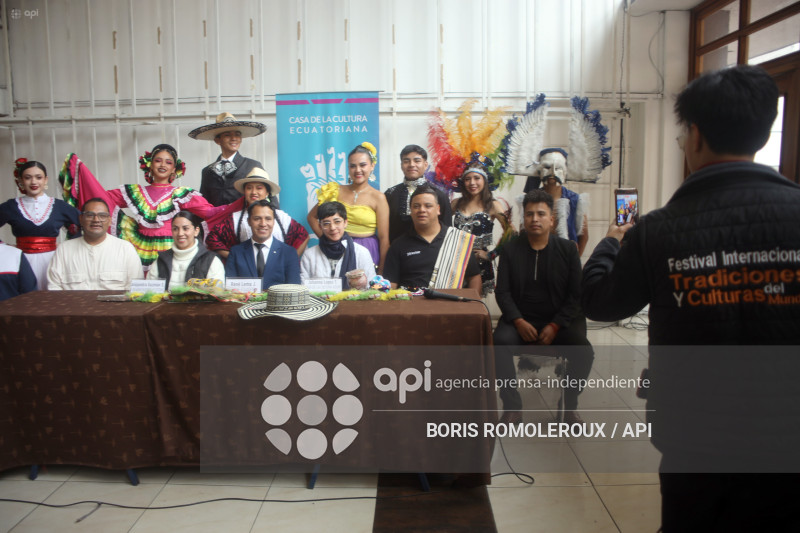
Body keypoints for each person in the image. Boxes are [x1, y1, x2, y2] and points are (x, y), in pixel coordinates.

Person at [581, 65, 800, 532]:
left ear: (696, 135)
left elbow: (598, 302)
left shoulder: (659, 230)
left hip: (694, 434)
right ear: (761, 132)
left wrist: (611, 241)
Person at [493, 190, 593, 425]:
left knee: (584, 352)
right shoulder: (510, 250)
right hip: (520, 321)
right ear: (523, 218)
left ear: (552, 220)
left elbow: (575, 294)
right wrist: (518, 320)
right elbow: (503, 292)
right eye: (529, 214)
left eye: (541, 214)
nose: (535, 219)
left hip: (559, 321)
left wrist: (556, 325)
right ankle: (512, 406)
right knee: (498, 344)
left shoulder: (568, 250)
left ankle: (569, 405)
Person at [60, 144, 241, 269]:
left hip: (172, 248)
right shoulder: (135, 191)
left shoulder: (182, 193)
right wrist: (81, 172)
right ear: (149, 164)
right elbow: (100, 198)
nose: (163, 165)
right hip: (139, 246)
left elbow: (210, 212)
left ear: (174, 169)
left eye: (168, 162)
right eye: (158, 160)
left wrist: (240, 203)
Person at [307, 142, 389, 272]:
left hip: (368, 249)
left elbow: (384, 238)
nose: (358, 170)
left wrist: (382, 271)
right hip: (338, 248)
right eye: (352, 166)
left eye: (363, 165)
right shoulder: (335, 190)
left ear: (372, 166)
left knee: (364, 290)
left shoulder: (379, 198)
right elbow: (312, 217)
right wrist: (328, 239)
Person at [0, 159, 81, 289]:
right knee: (26, 298)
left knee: (52, 298)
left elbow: (85, 223)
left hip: (53, 261)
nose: (34, 182)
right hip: (22, 260)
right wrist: (6, 248)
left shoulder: (59, 206)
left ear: (45, 180)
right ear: (20, 180)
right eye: (28, 178)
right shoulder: (11, 206)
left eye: (38, 177)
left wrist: (68, 245)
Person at [383, 185, 481, 292]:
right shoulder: (398, 245)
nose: (422, 210)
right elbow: (391, 283)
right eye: (416, 206)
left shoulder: (458, 240)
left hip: (450, 305)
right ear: (410, 210)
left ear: (438, 209)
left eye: (428, 206)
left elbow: (474, 277)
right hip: (410, 306)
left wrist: (472, 304)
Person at [206, 167, 308, 259]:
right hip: (247, 276)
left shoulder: (281, 217)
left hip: (278, 275)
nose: (254, 192)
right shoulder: (235, 219)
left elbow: (303, 236)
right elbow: (212, 239)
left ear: (267, 192)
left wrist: (290, 260)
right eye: (249, 188)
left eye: (259, 188)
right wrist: (235, 259)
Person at [47, 198, 143, 290]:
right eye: (90, 215)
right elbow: (54, 286)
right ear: (81, 219)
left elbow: (135, 288)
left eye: (102, 215)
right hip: (74, 306)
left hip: (114, 306)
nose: (96, 220)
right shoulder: (64, 250)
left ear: (110, 221)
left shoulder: (125, 249)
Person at [451, 163, 515, 295]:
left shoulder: (492, 205)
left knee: (474, 303)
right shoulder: (456, 203)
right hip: (456, 261)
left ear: (484, 180)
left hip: (478, 263)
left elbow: (511, 232)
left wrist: (491, 254)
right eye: (467, 179)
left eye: (476, 178)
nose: (472, 183)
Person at [189, 112, 275, 207]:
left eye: (237, 135)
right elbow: (204, 204)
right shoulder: (207, 171)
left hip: (245, 219)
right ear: (217, 140)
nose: (234, 138)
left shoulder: (252, 165)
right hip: (218, 221)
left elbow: (270, 197)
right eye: (227, 135)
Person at [523, 149, 589, 256]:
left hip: (565, 259)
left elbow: (584, 236)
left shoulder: (576, 201)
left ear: (565, 171)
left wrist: (575, 260)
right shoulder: (531, 199)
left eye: (558, 168)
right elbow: (524, 231)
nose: (552, 172)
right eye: (547, 167)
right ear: (539, 171)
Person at [225, 200, 300, 290]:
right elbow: (230, 290)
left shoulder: (289, 253)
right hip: (243, 303)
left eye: (268, 219)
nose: (263, 224)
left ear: (274, 221)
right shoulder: (236, 252)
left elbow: (294, 290)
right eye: (257, 219)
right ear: (249, 221)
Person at [384, 145, 451, 243]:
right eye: (406, 161)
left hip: (430, 252)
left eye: (417, 161)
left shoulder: (439, 195)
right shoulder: (390, 194)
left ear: (425, 164)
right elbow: (384, 230)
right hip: (396, 253)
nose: (411, 164)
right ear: (401, 165)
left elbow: (448, 230)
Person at [300, 201, 376, 288]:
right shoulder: (309, 255)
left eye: (337, 222)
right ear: (320, 226)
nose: (332, 228)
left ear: (345, 223)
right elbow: (303, 288)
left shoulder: (361, 252)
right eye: (326, 224)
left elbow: (371, 286)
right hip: (318, 301)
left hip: (353, 301)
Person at [148, 211, 225, 290]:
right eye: (175, 229)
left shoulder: (211, 261)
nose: (180, 233)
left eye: (185, 228)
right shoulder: (160, 261)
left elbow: (217, 295)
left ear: (196, 231)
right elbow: (149, 293)